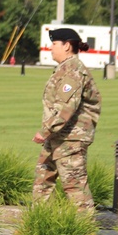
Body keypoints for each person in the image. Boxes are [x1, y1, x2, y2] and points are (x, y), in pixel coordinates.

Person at [32, 27, 102, 210]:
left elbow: (66, 108)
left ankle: (85, 233)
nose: (50, 48)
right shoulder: (65, 68)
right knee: (43, 179)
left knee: (75, 187)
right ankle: (39, 224)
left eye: (54, 44)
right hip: (58, 136)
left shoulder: (73, 70)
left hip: (70, 138)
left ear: (67, 46)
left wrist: (45, 131)